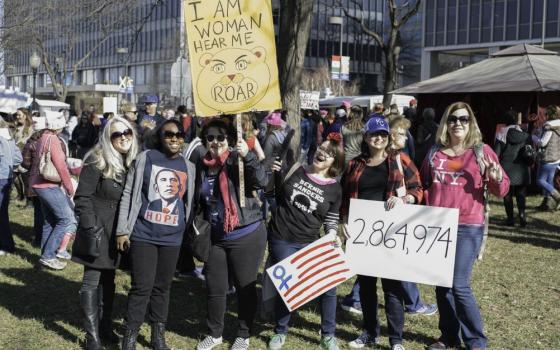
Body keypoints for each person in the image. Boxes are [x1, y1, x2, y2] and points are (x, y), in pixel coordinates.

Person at [421, 102, 509, 350]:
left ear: (471, 123)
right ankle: (449, 336)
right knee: (442, 284)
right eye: (452, 119)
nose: (457, 123)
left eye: (463, 119)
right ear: (445, 124)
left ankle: (476, 341)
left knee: (459, 284)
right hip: (436, 226)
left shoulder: (482, 152)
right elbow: (423, 183)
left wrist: (496, 177)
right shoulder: (434, 153)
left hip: (467, 226)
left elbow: (502, 190)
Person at [340, 117, 423, 350]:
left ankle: (396, 339)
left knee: (392, 288)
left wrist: (405, 198)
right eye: (374, 134)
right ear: (366, 137)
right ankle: (369, 332)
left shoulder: (398, 159)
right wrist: (344, 221)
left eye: (383, 135)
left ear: (388, 138)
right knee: (366, 286)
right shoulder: (355, 164)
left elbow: (418, 187)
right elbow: (345, 196)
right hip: (364, 235)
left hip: (391, 234)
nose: (379, 138)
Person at [116, 119, 196, 350]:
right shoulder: (146, 158)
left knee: (163, 287)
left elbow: (188, 202)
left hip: (173, 238)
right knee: (142, 286)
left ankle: (157, 335)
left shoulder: (188, 166)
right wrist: (123, 230)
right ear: (160, 137)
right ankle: (129, 336)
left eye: (179, 135)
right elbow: (129, 193)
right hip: (143, 234)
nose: (174, 138)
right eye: (169, 134)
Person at [266, 136, 345, 350]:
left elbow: (330, 218)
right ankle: (280, 331)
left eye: (329, 153)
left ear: (334, 162)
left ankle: (328, 335)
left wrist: (331, 234)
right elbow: (273, 193)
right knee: (289, 283)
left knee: (329, 285)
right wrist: (274, 172)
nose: (322, 153)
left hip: (311, 242)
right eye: (321, 148)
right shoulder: (297, 169)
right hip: (282, 237)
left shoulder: (335, 189)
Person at [195, 118, 268, 350]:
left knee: (245, 286)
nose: (215, 142)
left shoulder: (237, 161)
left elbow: (262, 181)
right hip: (216, 236)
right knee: (215, 287)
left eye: (220, 137)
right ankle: (214, 333)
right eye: (210, 137)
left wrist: (248, 156)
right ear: (205, 140)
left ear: (229, 139)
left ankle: (243, 334)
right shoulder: (202, 163)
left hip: (246, 233)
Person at [72, 117, 139, 350]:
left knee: (109, 279)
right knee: (92, 280)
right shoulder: (97, 158)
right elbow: (82, 198)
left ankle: (104, 326)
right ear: (107, 138)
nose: (123, 137)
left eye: (127, 132)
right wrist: (91, 228)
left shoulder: (132, 161)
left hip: (117, 232)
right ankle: (92, 338)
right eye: (116, 134)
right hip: (98, 230)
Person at [31, 111, 77, 270]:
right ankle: (49, 256)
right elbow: (61, 166)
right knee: (66, 219)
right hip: (49, 185)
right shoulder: (54, 140)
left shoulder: (42, 137)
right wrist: (69, 186)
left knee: (49, 222)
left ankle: (44, 259)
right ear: (59, 126)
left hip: (38, 184)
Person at [494, 111, 532, 226]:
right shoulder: (526, 135)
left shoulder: (501, 135)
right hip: (522, 169)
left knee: (507, 195)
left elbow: (496, 154)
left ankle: (510, 219)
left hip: (506, 169)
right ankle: (522, 216)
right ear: (517, 121)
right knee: (521, 194)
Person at [21, 115, 48, 246]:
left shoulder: (30, 143)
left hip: (35, 181)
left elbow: (25, 163)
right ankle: (47, 240)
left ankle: (38, 240)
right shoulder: (53, 141)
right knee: (49, 212)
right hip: (51, 181)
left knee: (38, 212)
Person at [0, 117, 23, 255]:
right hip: (7, 177)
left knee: (1, 214)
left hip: (1, 178)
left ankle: (7, 245)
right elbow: (18, 159)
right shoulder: (8, 137)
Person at [536, 105, 560, 210]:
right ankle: (547, 204)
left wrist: (533, 137)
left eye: (546, 114)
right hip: (557, 157)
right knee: (549, 181)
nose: (544, 116)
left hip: (548, 158)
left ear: (549, 115)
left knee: (540, 181)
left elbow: (542, 143)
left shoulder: (549, 126)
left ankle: (558, 196)